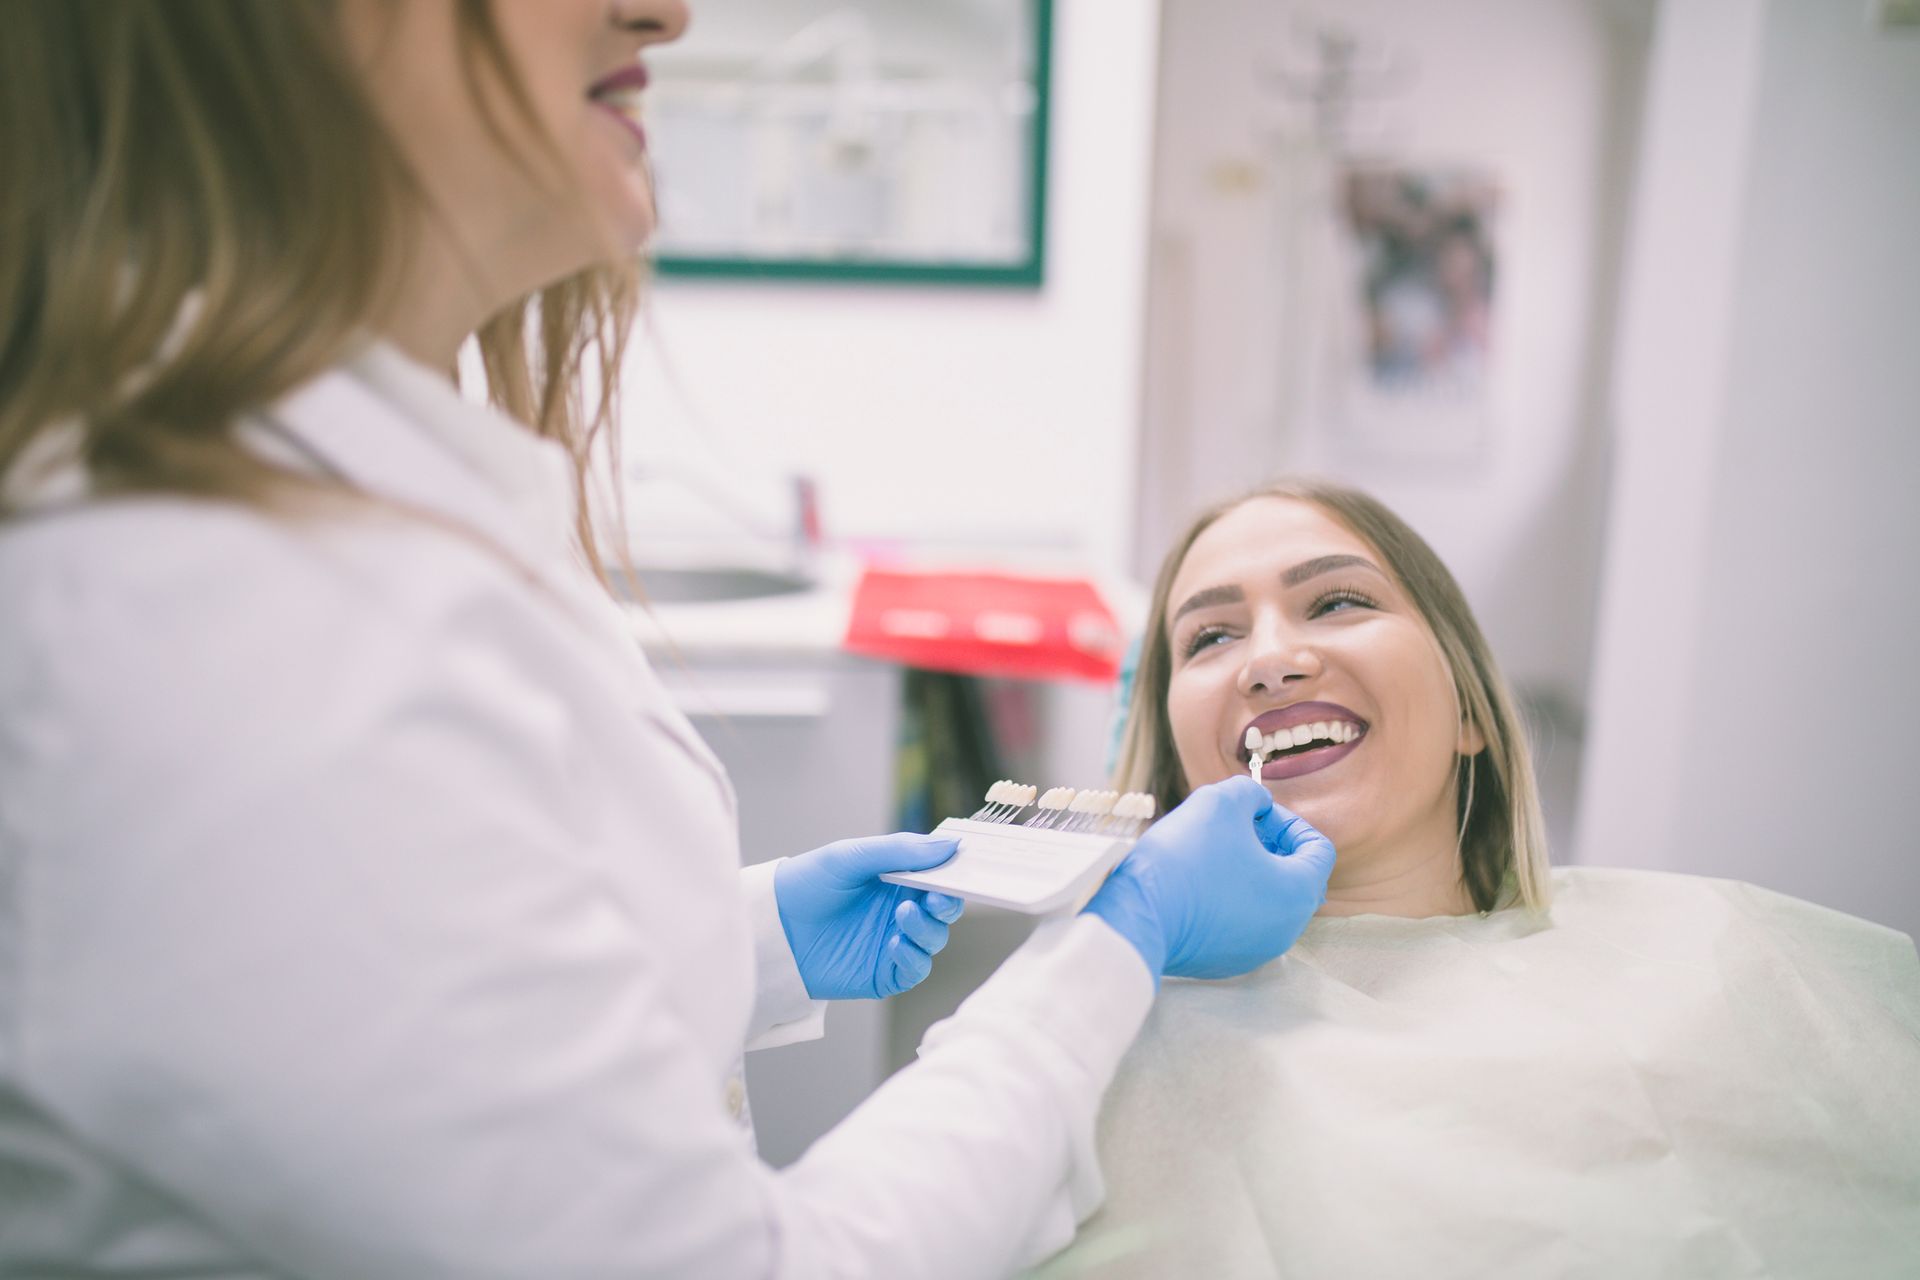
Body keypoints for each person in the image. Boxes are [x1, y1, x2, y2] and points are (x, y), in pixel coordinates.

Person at [0, 4, 1337, 1276]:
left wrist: (739, 937)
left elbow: (376, 1014)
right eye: (1216, 629)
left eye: (1341, 601)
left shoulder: (373, 510)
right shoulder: (223, 613)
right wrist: (1118, 940)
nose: (666, 11)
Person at [1050, 478, 1920, 1277]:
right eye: (1210, 637)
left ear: (1468, 706)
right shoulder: (1082, 1026)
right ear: (1175, 762)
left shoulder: (1721, 954)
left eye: (1339, 600)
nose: (1269, 661)